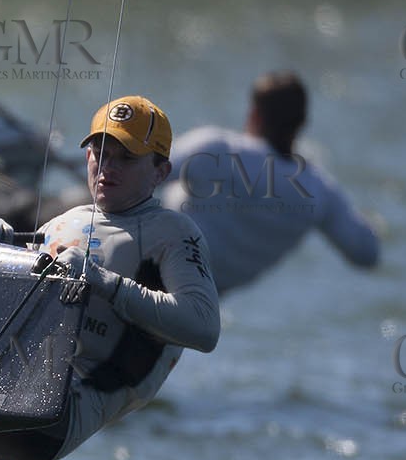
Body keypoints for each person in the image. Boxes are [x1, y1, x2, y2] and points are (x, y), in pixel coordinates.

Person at [0, 96, 220, 460]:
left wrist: (102, 281)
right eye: (100, 153)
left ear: (161, 172)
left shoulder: (174, 233)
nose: (107, 168)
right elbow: (12, 305)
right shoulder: (63, 222)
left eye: (126, 158)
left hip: (51, 421)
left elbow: (205, 330)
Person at [161, 72, 378, 294]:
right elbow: (367, 254)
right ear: (302, 123)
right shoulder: (318, 191)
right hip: (199, 306)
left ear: (254, 115)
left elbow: (142, 172)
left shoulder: (218, 149)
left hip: (150, 271)